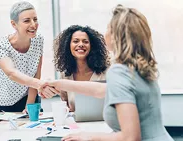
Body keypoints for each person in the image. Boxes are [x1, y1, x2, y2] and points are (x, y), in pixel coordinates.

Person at [60, 5, 174, 141]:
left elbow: (130, 137)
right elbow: (100, 90)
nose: (105, 33)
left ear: (116, 36)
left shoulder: (118, 71)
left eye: (108, 28)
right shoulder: (139, 67)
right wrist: (57, 83)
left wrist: (88, 136)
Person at [0, 1, 57, 112]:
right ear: (14, 24)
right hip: (2, 101)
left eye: (35, 19)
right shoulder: (1, 45)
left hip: (28, 96)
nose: (33, 24)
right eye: (27, 21)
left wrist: (29, 105)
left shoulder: (38, 39)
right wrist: (40, 84)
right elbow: (11, 73)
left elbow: (36, 73)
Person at [41, 25, 109, 111]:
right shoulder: (65, 76)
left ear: (92, 46)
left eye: (85, 42)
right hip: (76, 123)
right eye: (76, 41)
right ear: (68, 46)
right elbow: (65, 106)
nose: (81, 44)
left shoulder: (105, 73)